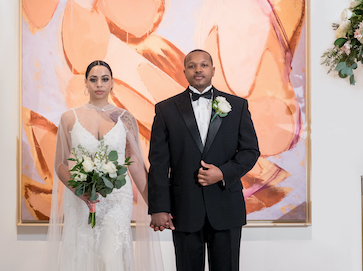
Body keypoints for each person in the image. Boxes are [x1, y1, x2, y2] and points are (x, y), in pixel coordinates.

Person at [45, 60, 163, 271]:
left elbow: (135, 164)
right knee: (84, 253)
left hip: (118, 198)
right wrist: (77, 189)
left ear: (112, 83)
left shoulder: (125, 118)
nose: (99, 84)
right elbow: (60, 164)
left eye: (104, 79)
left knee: (110, 256)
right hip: (81, 198)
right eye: (93, 79)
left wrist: (156, 206)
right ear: (86, 83)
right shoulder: (69, 118)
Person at [148, 49, 260, 271]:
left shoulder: (237, 106)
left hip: (226, 206)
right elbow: (159, 162)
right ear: (185, 71)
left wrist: (223, 172)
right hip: (185, 207)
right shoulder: (166, 110)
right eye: (192, 65)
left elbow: (250, 151)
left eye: (203, 65)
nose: (198, 69)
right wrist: (159, 207)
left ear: (213, 70)